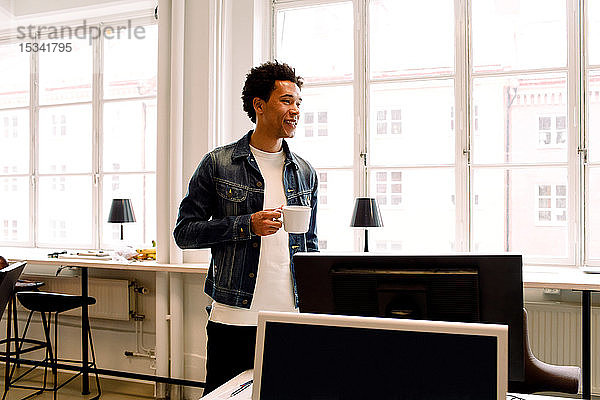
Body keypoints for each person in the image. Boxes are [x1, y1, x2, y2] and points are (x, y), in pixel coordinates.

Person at [173, 61, 318, 393]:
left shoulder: (306, 173)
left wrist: (313, 306)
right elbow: (185, 233)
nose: (295, 110)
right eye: (286, 101)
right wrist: (245, 225)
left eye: (298, 102)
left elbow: (310, 243)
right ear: (259, 105)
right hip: (233, 316)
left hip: (289, 316)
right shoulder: (218, 164)